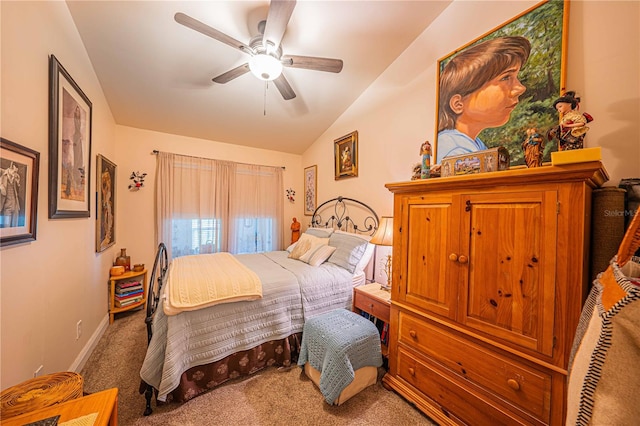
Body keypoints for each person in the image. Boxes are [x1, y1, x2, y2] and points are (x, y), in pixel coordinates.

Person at [436, 36, 531, 164]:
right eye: (506, 77)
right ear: (458, 104)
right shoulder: (456, 150)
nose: (520, 88)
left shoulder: (472, 144)